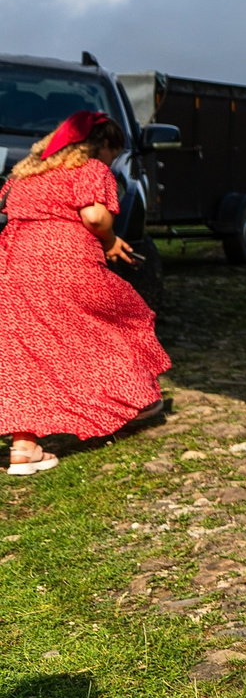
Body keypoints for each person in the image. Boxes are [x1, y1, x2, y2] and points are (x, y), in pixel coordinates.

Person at [0, 112, 171, 475]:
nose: (112, 161)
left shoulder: (27, 174)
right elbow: (94, 217)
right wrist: (110, 240)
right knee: (123, 319)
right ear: (102, 145)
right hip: (66, 261)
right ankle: (134, 400)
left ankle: (24, 449)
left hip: (16, 264)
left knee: (27, 353)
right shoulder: (91, 170)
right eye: (114, 152)